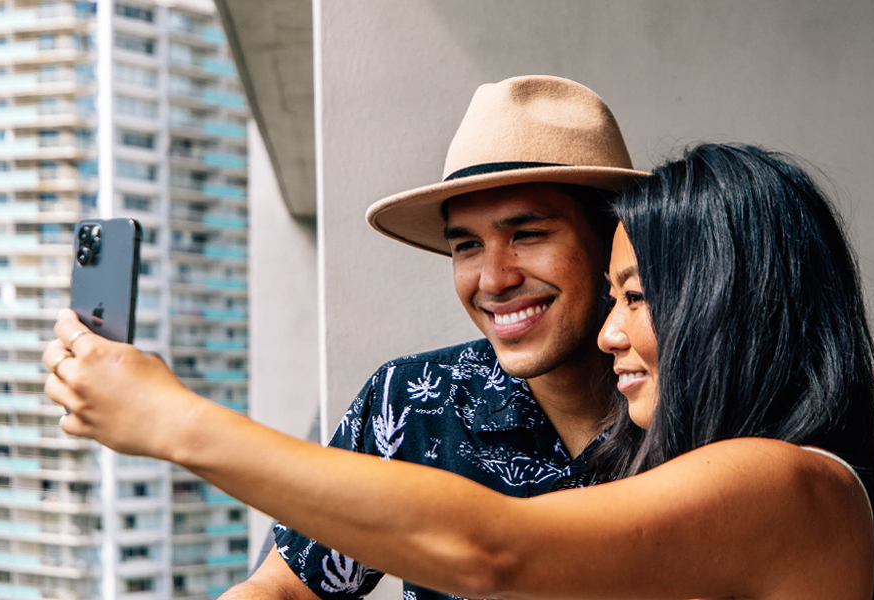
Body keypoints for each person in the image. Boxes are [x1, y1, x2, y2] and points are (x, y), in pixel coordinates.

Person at [42, 143, 874, 599]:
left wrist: (174, 422)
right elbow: (298, 584)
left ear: (723, 305)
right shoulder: (671, 460)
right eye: (466, 244)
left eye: (638, 298)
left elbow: (487, 548)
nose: (614, 334)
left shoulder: (786, 486)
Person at [229, 75, 645, 599]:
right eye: (467, 245)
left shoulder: (706, 402)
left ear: (614, 239)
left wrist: (174, 423)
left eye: (528, 234)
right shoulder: (413, 398)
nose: (493, 280)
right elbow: (285, 588)